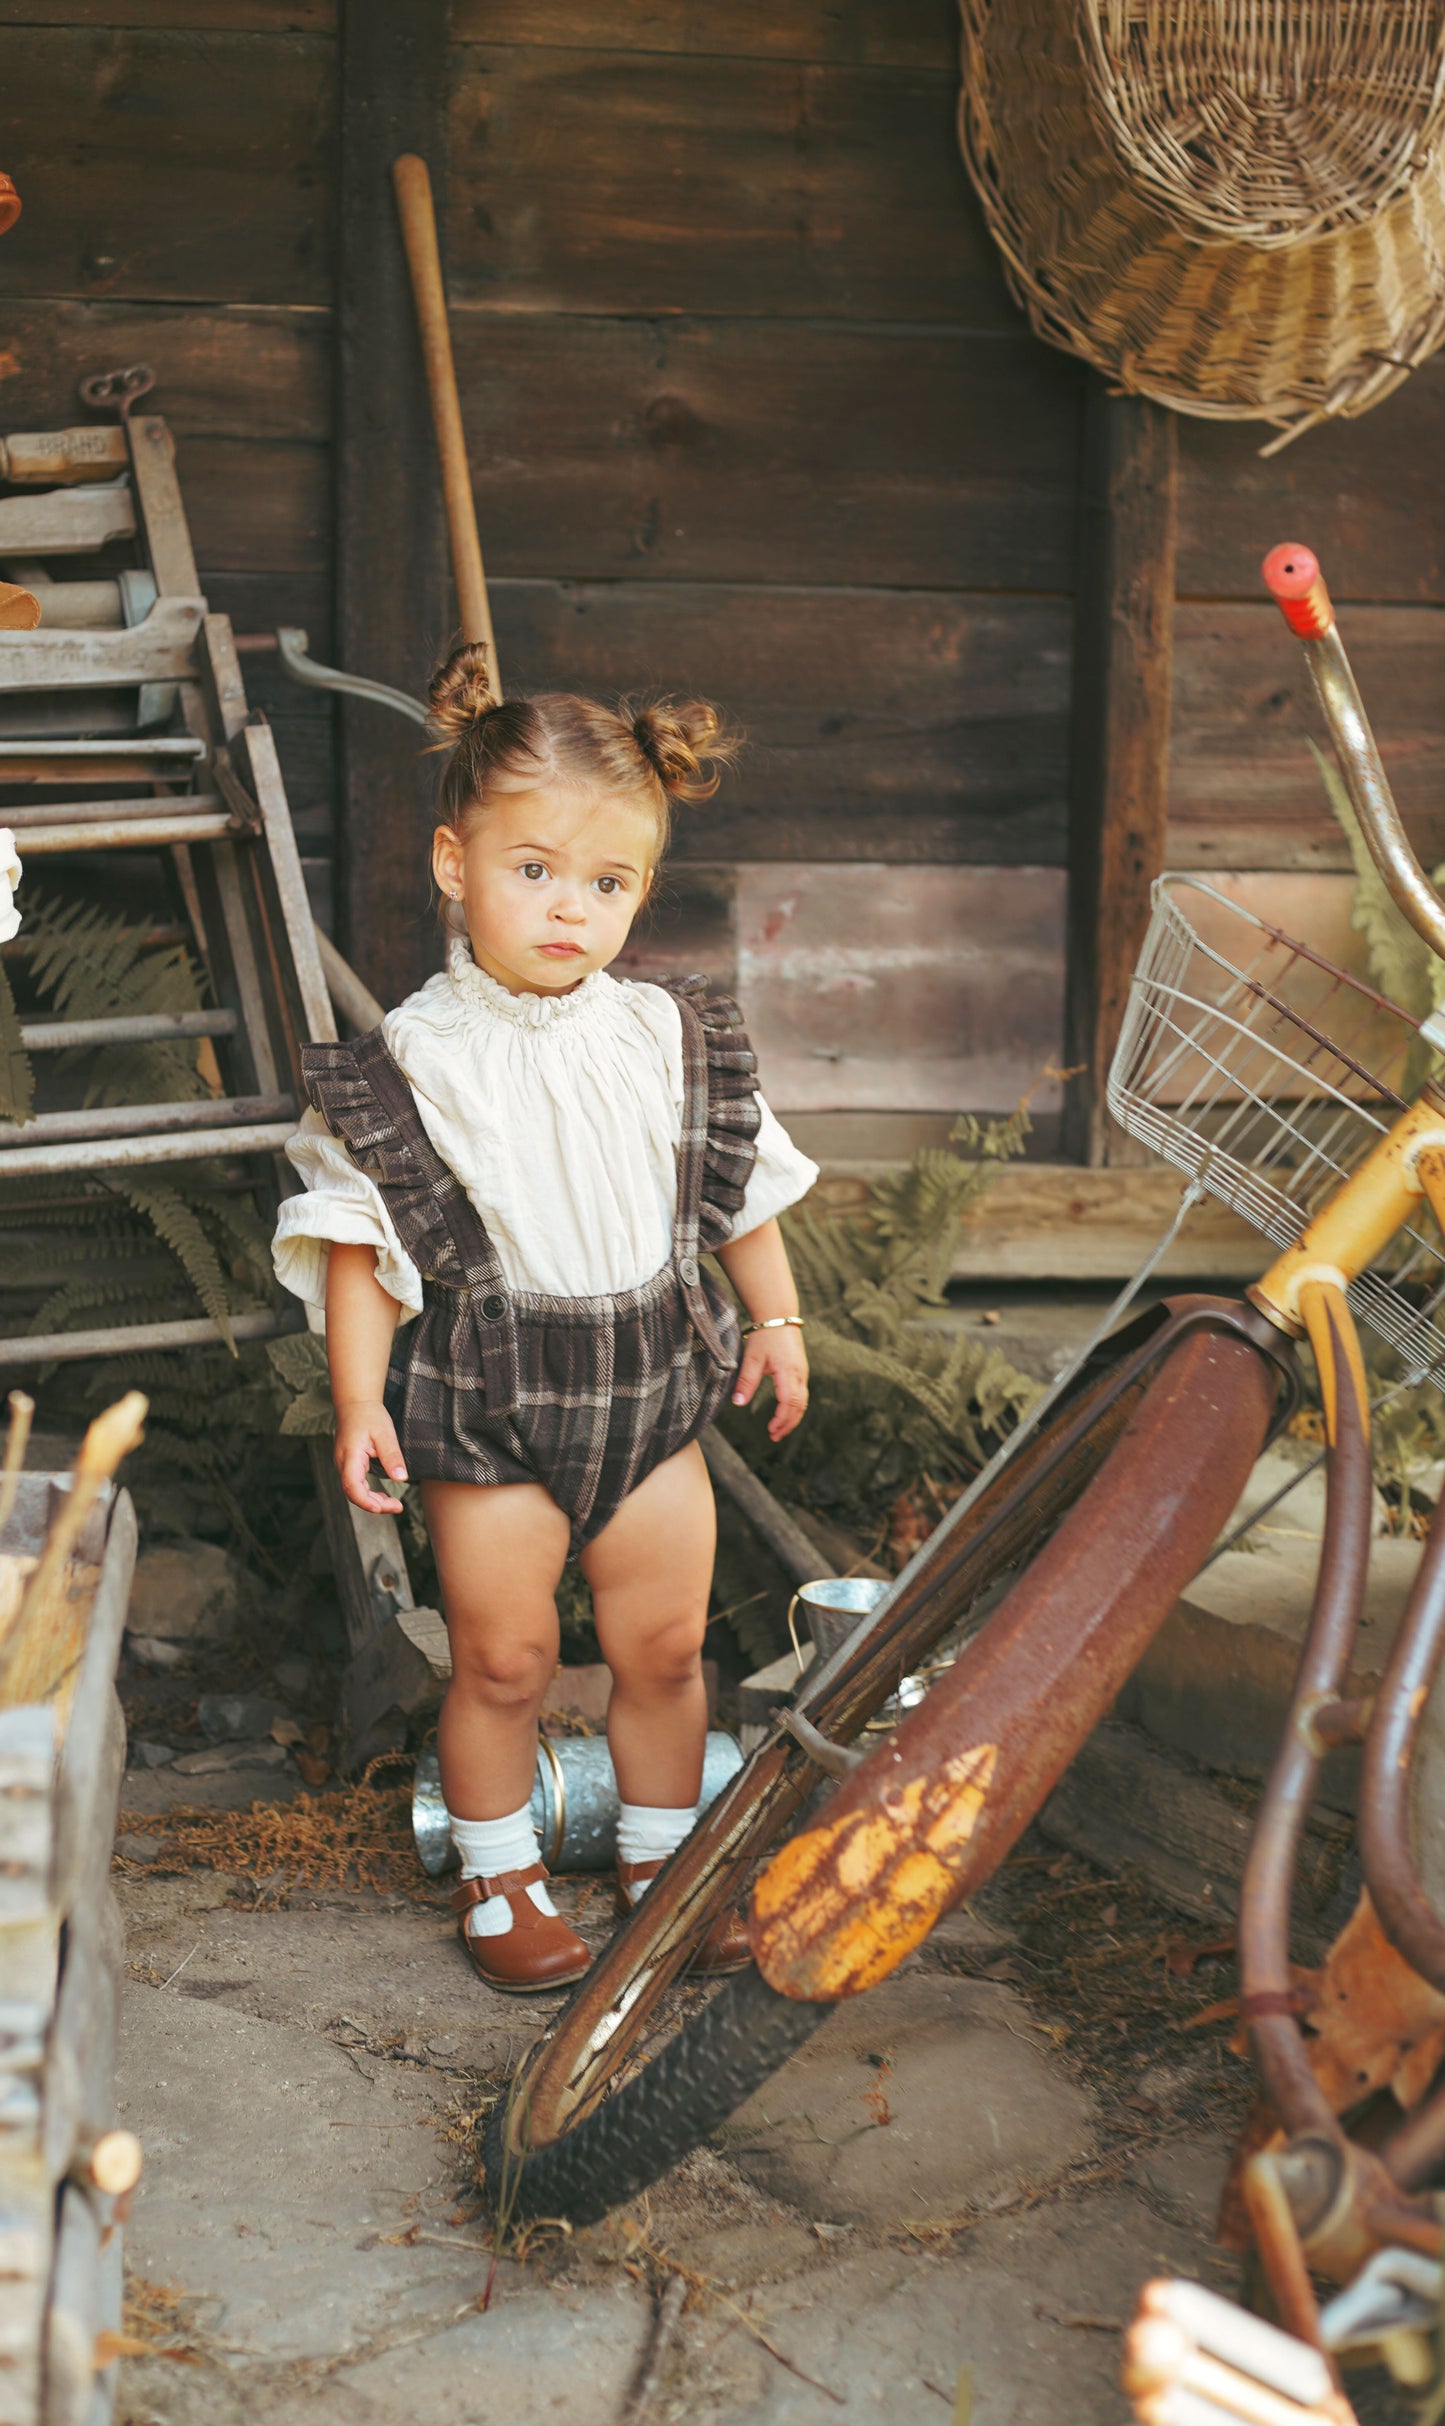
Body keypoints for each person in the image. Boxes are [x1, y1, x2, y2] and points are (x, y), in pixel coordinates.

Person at [273, 645, 818, 1991]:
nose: (570, 908)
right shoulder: (414, 1053)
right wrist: (359, 1401)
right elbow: (360, 1243)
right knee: (505, 1656)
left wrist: (779, 1319)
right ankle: (502, 1871)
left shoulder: (665, 1033)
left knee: (666, 1645)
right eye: (534, 871)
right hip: (488, 1396)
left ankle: (656, 1852)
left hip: (650, 1388)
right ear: (457, 864)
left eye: (606, 881)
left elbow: (736, 1186)